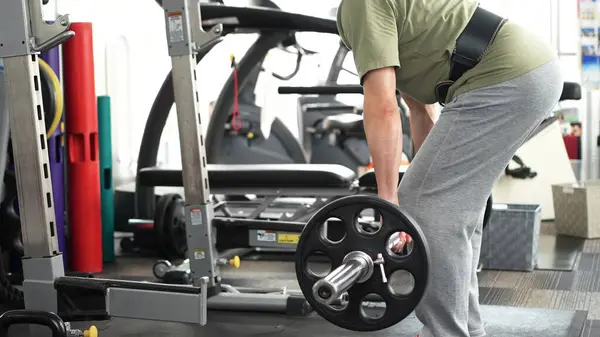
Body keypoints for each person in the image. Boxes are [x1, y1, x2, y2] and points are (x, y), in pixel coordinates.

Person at [336, 0, 562, 336]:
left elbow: (383, 108)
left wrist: (390, 202)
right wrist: (418, 189)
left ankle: (446, 333)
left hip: (502, 77)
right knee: (448, 213)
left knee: (425, 211)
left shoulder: (360, 5)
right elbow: (420, 107)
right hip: (528, 71)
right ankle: (464, 330)